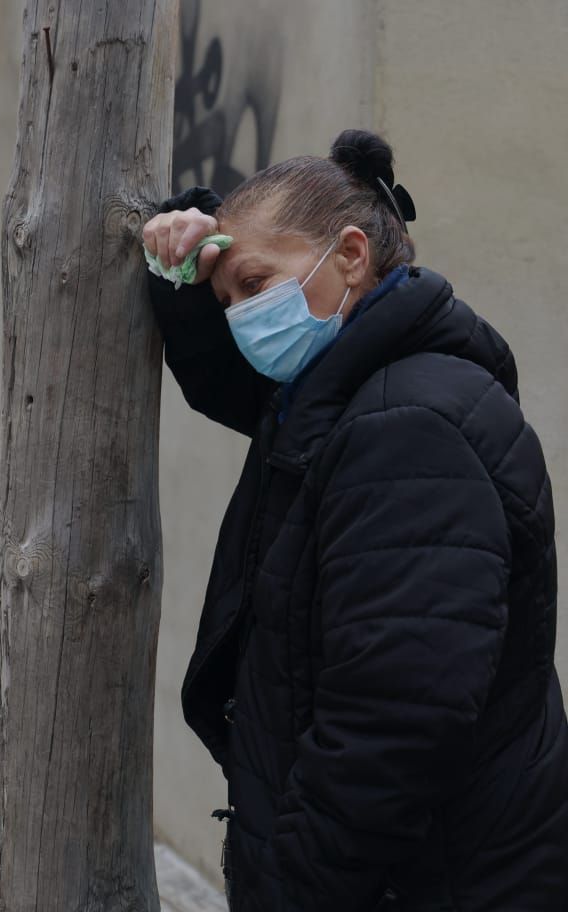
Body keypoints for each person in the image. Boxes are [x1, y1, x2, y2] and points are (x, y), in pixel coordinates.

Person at [142, 130, 568, 911]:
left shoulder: (405, 427)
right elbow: (232, 390)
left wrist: (293, 883)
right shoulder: (359, 394)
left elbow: (398, 725)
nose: (242, 318)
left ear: (349, 255)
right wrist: (188, 252)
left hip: (421, 884)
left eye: (256, 284)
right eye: (229, 299)